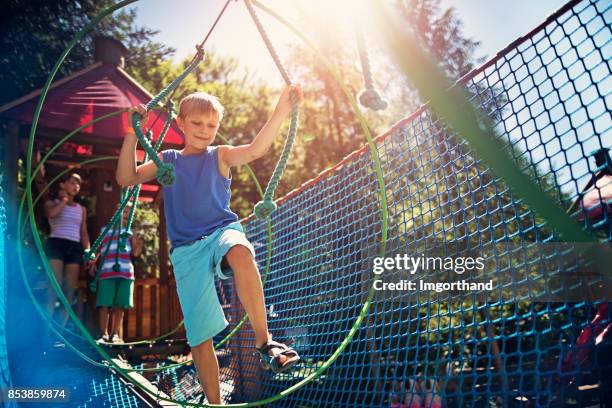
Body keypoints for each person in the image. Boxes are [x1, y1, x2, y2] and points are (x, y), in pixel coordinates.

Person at [116, 84, 303, 404]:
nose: (205, 131)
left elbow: (256, 149)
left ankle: (265, 342)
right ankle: (215, 403)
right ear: (181, 123)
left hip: (221, 232)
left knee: (242, 251)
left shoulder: (221, 155)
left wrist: (282, 109)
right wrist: (134, 134)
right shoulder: (167, 160)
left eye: (211, 125)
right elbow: (125, 179)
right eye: (197, 123)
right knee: (200, 338)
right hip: (186, 250)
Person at [44, 172, 90, 337]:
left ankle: (59, 333)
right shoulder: (52, 203)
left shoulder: (81, 209)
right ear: (62, 185)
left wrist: (88, 251)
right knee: (53, 288)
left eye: (78, 184)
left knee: (69, 292)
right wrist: (63, 200)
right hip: (56, 243)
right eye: (72, 182)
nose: (76, 186)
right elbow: (52, 214)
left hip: (74, 246)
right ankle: (45, 331)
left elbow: (83, 232)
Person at [91, 201, 142, 344]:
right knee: (104, 304)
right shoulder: (105, 230)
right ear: (117, 211)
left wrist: (136, 240)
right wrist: (92, 263)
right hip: (107, 271)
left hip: (125, 272)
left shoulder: (130, 233)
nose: (126, 214)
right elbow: (99, 250)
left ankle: (115, 334)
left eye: (128, 212)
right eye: (124, 210)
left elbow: (136, 253)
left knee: (120, 305)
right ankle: (103, 334)